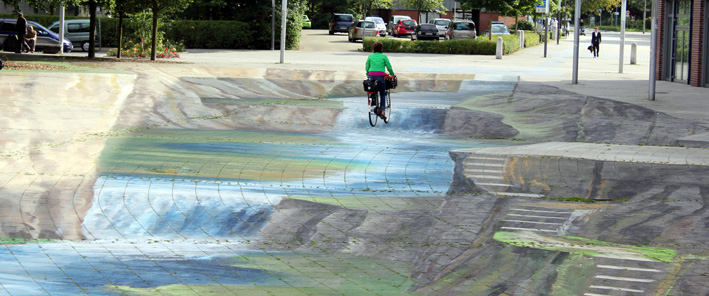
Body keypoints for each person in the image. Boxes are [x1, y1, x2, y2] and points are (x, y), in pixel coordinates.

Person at [365, 41, 395, 119]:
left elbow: (367, 66)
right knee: (382, 93)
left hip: (371, 76)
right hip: (380, 77)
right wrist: (392, 74)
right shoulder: (384, 56)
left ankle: (373, 102)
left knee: (372, 88)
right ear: (381, 49)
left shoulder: (370, 56)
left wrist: (368, 74)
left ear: (374, 49)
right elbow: (389, 67)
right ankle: (382, 111)